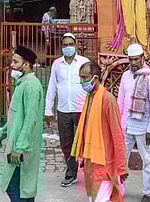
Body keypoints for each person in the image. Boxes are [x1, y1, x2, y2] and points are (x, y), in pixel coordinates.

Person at [72, 61, 126, 202]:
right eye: (80, 78)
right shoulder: (90, 98)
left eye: (84, 77)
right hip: (90, 162)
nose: (81, 81)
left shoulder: (107, 99)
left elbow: (117, 134)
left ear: (95, 78)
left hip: (105, 163)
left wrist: (121, 167)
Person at [0, 46, 45, 202]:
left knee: (18, 187)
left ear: (26, 65)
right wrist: (2, 132)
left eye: (15, 62)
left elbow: (30, 119)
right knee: (19, 188)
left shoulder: (31, 86)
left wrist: (20, 148)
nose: (12, 65)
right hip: (15, 143)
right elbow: (16, 116)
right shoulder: (22, 83)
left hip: (22, 148)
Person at [116, 44, 150, 202]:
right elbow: (120, 101)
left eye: (136, 59)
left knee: (148, 160)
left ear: (143, 58)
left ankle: (148, 193)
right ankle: (119, 190)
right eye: (131, 60)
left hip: (144, 128)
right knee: (121, 159)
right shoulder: (125, 76)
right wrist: (118, 124)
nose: (133, 63)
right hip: (126, 125)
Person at [45, 32, 89, 187]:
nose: (68, 47)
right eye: (65, 45)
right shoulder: (57, 64)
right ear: (61, 47)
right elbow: (52, 87)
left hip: (81, 109)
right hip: (63, 109)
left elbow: (91, 85)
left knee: (86, 141)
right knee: (66, 143)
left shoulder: (84, 62)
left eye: (71, 44)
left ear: (76, 45)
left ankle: (90, 170)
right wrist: (48, 110)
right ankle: (71, 173)